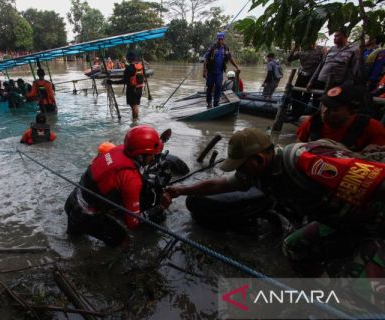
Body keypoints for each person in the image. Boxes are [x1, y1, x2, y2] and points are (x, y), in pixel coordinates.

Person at [163, 128, 385, 277]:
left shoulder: (305, 161)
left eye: (241, 166)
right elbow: (217, 185)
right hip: (340, 222)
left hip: (376, 224)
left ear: (259, 159)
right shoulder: (258, 173)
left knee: (361, 293)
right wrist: (180, 190)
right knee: (293, 247)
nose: (239, 172)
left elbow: (378, 181)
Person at [64, 125, 170, 247]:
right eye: (151, 154)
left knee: (73, 241)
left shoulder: (116, 150)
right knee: (124, 241)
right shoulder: (131, 178)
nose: (153, 157)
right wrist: (161, 207)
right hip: (83, 215)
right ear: (142, 154)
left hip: (72, 201)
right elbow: (133, 223)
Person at [296, 83, 385, 151]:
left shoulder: (373, 129)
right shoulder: (312, 123)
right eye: (324, 105)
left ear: (351, 112)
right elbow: (297, 149)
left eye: (334, 109)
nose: (325, 111)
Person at [308, 27, 360, 92]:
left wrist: (345, 86)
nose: (334, 38)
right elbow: (321, 65)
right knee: (316, 101)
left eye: (337, 36)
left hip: (336, 84)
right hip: (320, 81)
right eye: (334, 36)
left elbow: (353, 70)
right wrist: (311, 81)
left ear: (345, 37)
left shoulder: (353, 50)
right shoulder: (331, 49)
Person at [203, 32, 241, 108]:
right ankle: (209, 103)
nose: (220, 40)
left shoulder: (225, 48)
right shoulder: (212, 48)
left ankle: (216, 102)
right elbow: (206, 59)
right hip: (211, 71)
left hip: (219, 72)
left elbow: (230, 58)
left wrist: (237, 66)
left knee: (218, 86)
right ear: (217, 39)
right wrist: (204, 71)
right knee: (209, 87)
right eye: (219, 39)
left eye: (222, 39)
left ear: (224, 39)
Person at [287, 44, 324, 119]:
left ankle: (299, 114)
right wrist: (293, 50)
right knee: (295, 93)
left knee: (307, 95)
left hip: (313, 77)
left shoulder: (319, 51)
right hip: (302, 75)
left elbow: (323, 63)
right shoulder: (301, 52)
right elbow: (289, 59)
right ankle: (295, 113)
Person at [108, 51, 144, 120]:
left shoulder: (129, 68)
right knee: (135, 105)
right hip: (139, 88)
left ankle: (135, 121)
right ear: (135, 59)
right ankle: (136, 120)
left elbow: (124, 81)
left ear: (128, 59)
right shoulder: (139, 66)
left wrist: (112, 82)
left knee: (133, 106)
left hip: (132, 89)